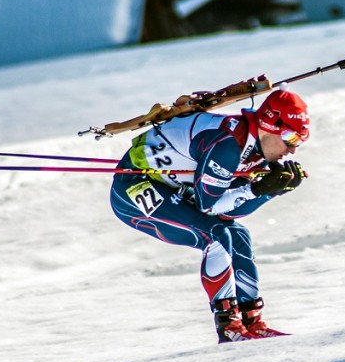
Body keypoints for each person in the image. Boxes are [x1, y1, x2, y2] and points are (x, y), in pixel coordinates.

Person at [109, 86, 310, 343]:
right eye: (291, 138)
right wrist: (256, 189)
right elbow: (210, 207)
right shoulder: (227, 145)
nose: (293, 149)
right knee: (214, 237)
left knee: (237, 235)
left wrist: (269, 191)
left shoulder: (255, 151)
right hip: (133, 186)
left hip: (173, 185)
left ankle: (252, 321)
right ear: (269, 125)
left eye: (300, 142)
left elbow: (230, 212)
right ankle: (229, 327)